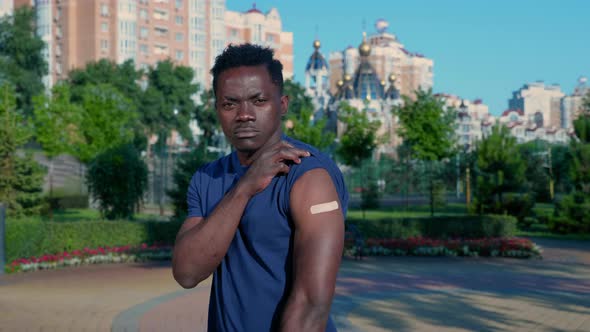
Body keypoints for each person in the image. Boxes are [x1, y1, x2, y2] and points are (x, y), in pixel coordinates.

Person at [172, 44, 348, 332]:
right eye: (230, 104)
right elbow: (187, 273)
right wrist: (245, 187)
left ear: (282, 104)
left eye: (259, 101)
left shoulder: (309, 175)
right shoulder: (208, 178)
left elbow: (310, 307)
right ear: (217, 108)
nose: (244, 114)